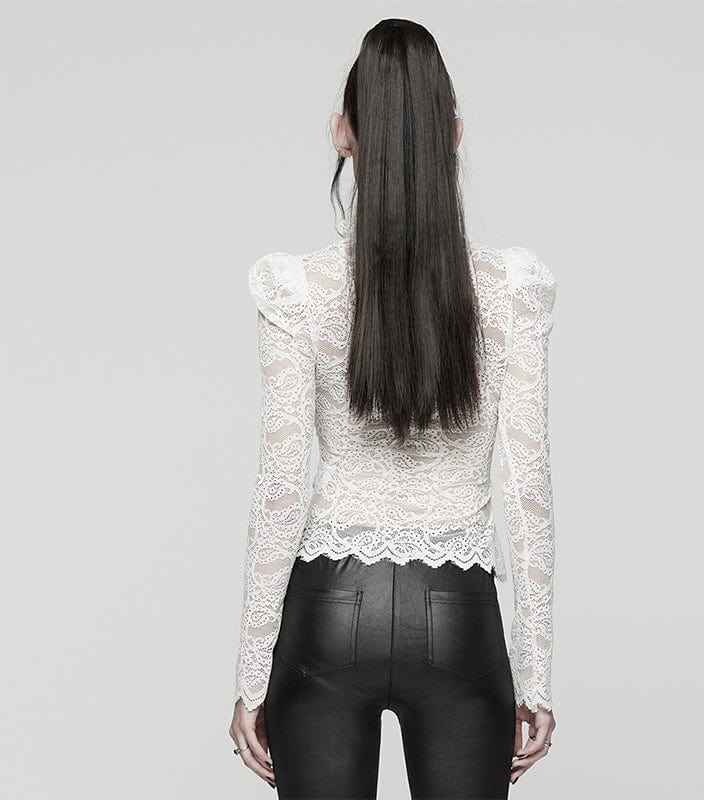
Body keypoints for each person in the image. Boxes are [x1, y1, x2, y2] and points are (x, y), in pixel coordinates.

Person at [228, 17, 558, 800]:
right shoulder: (511, 290)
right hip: (459, 613)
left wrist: (250, 672)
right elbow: (529, 488)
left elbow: (280, 485)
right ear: (453, 133)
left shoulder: (298, 290)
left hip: (328, 609)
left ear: (342, 132)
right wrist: (537, 672)